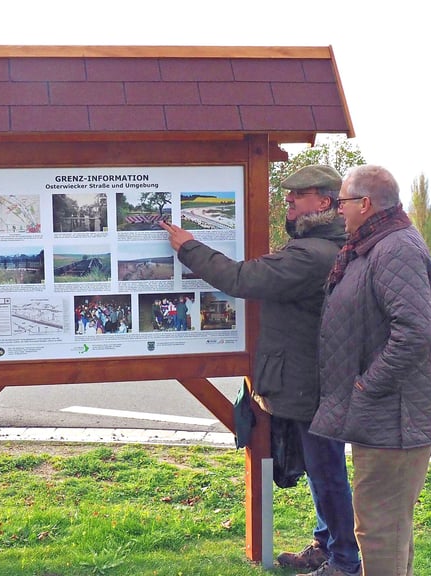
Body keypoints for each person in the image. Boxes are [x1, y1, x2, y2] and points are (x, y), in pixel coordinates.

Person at [160, 165, 361, 576]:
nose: (287, 201)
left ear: (324, 202)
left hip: (309, 383)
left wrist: (189, 247)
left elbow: (240, 278)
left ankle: (344, 561)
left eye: (296, 196)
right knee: (321, 468)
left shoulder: (312, 255)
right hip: (310, 379)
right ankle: (326, 546)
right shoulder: (326, 248)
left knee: (325, 471)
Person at [313, 165, 431, 575]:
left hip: (396, 418)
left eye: (343, 202)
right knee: (386, 528)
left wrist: (366, 386)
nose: (340, 211)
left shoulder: (395, 249)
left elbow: (414, 334)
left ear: (365, 203)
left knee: (379, 531)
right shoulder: (374, 244)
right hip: (386, 416)